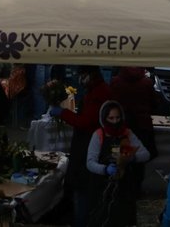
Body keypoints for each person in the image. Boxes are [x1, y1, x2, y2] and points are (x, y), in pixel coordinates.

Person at [50, 65, 115, 227]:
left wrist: (63, 113)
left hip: (88, 147)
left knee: (83, 192)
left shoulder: (99, 93)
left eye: (82, 74)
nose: (80, 78)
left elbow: (86, 122)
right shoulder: (96, 90)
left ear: (90, 75)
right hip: (87, 145)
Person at [85, 100, 150, 227]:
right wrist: (105, 169)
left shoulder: (127, 133)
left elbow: (146, 154)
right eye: (111, 118)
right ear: (104, 118)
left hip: (124, 187)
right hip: (102, 187)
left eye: (118, 118)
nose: (115, 121)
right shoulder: (99, 135)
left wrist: (131, 158)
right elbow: (90, 162)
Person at [110, 66, 159, 190]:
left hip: (122, 128)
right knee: (138, 162)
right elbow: (155, 103)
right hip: (142, 128)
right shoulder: (147, 83)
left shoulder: (115, 82)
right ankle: (136, 188)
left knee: (120, 159)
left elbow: (111, 103)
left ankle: (121, 187)